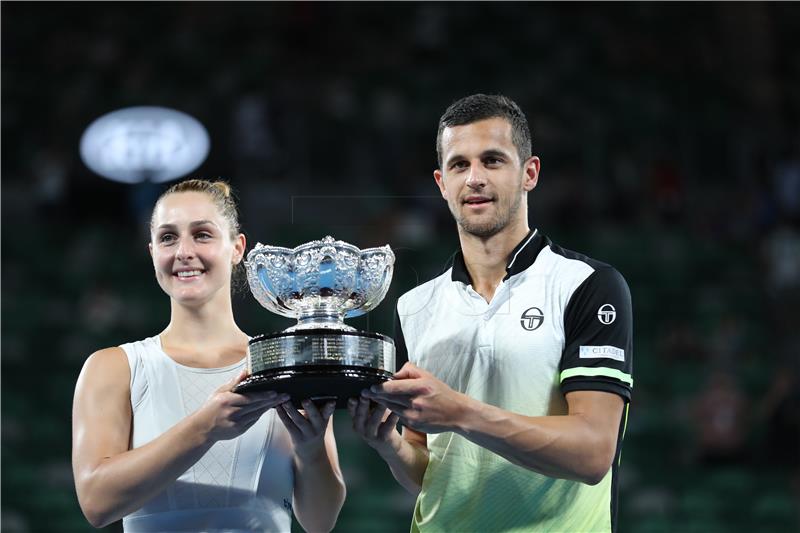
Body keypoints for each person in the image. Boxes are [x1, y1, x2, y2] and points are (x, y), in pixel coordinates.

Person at [349, 94, 633, 532]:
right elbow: (430, 472)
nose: (474, 178)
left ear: (529, 173)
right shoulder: (414, 307)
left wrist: (461, 412)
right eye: (460, 165)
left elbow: (594, 453)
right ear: (442, 183)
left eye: (493, 161)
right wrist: (389, 445)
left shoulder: (587, 285)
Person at [72, 179, 346, 532]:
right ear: (152, 251)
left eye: (202, 235)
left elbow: (320, 522)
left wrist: (311, 451)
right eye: (168, 237)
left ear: (237, 248)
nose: (184, 251)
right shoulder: (113, 368)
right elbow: (96, 502)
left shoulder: (286, 364)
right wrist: (205, 427)